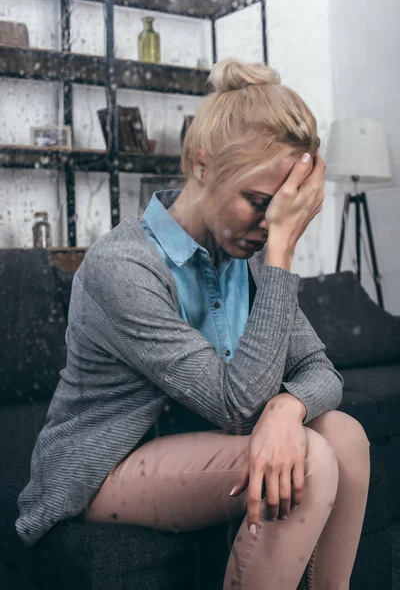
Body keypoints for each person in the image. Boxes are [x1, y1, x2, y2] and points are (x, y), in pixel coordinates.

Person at [16, 59, 370, 590]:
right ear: (203, 167)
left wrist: (285, 406)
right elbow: (235, 404)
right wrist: (281, 256)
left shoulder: (246, 258)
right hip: (105, 468)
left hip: (197, 444)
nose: (270, 226)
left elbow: (321, 371)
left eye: (284, 212)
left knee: (343, 434)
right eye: (258, 204)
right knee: (312, 461)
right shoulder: (124, 264)